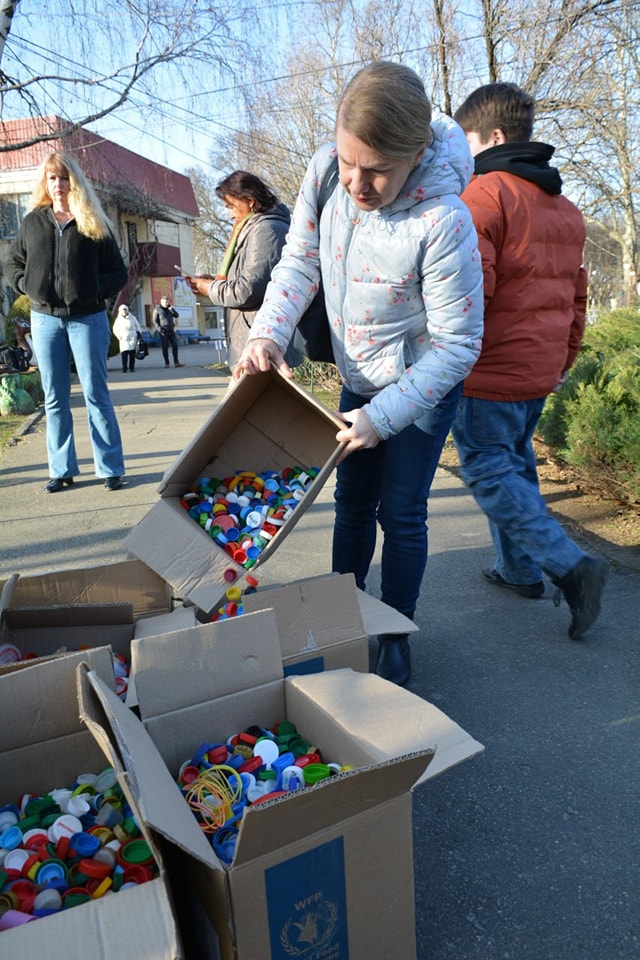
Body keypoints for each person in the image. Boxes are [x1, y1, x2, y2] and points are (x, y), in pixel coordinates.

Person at [234, 61, 484, 686]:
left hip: (421, 388)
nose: (356, 183)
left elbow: (458, 345)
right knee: (350, 504)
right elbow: (297, 265)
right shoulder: (324, 175)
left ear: (417, 153)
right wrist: (269, 333)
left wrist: (382, 416)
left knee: (400, 512)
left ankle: (396, 628)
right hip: (360, 375)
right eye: (348, 161)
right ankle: (344, 617)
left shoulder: (445, 220)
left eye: (376, 170)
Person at [451, 82, 609, 640]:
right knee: (515, 465)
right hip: (538, 370)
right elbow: (577, 293)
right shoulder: (564, 208)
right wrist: (564, 358)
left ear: (492, 138)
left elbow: (469, 294)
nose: (459, 151)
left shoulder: (483, 194)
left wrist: (443, 358)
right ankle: (518, 569)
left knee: (489, 469)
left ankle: (570, 566)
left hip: (488, 371)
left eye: (464, 139)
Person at [6, 151, 128, 493]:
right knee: (55, 397)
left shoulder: (92, 221)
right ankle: (61, 470)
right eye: (51, 178)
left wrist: (93, 292)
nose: (57, 184)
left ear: (73, 180)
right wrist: (27, 287)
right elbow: (13, 263)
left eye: (62, 177)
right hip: (45, 321)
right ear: (44, 182)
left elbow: (118, 271)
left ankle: (110, 468)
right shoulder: (33, 222)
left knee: (95, 393)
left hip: (87, 319)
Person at [186, 171, 291, 369]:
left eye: (232, 206)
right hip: (251, 346)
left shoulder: (267, 230)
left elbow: (248, 290)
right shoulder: (251, 229)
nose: (230, 214)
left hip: (263, 350)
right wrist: (213, 283)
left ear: (250, 201)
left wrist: (211, 288)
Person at [153, 296, 184, 367]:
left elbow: (176, 315)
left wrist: (171, 309)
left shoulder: (169, 309)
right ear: (161, 302)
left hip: (171, 330)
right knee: (165, 347)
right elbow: (155, 321)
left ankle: (176, 362)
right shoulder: (157, 309)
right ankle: (167, 363)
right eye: (165, 302)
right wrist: (160, 330)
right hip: (163, 331)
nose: (167, 303)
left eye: (168, 302)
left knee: (175, 345)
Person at [113, 303, 142, 373]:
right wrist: (120, 336)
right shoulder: (118, 319)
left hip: (132, 337)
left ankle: (132, 367)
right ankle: (124, 368)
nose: (124, 311)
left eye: (125, 310)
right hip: (124, 339)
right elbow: (115, 329)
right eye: (123, 310)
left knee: (132, 354)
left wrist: (138, 333)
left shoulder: (132, 317)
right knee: (124, 354)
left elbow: (137, 325)